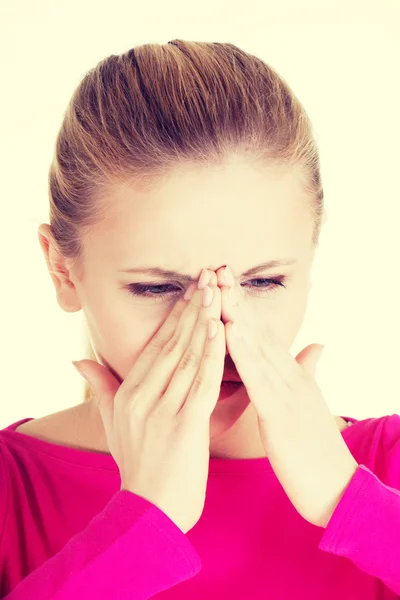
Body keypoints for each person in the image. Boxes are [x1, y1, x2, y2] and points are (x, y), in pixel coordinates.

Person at [1, 39, 399, 600]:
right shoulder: (10, 492)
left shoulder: (389, 467)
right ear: (64, 271)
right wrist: (142, 524)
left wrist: (351, 501)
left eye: (262, 282)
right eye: (158, 288)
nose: (218, 334)